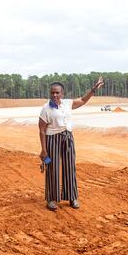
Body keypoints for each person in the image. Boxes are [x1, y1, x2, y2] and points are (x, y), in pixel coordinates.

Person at [38, 77, 104, 210]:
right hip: (53, 140)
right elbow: (42, 130)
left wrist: (93, 89)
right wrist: (44, 149)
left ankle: (72, 197)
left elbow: (83, 100)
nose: (55, 95)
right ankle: (51, 199)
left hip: (68, 138)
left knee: (69, 168)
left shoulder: (67, 103)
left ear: (62, 94)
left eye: (57, 93)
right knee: (53, 169)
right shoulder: (46, 109)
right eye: (52, 93)